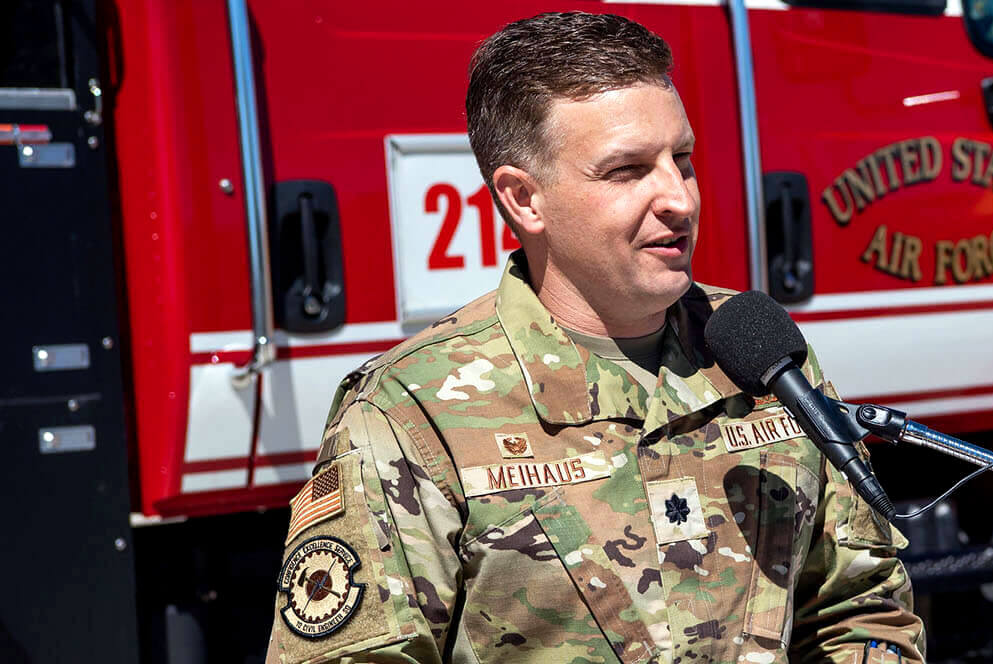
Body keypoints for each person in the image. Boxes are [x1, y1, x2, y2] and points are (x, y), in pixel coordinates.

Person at [263, 12, 925, 664]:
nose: (680, 199)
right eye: (628, 171)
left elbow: (861, 610)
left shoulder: (763, 359)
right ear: (524, 199)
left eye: (682, 159)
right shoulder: (414, 411)